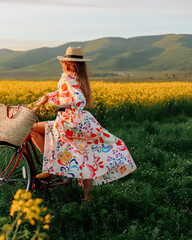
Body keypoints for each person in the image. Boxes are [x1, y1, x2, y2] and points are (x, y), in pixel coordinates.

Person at [30, 46, 136, 201]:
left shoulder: (69, 78)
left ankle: (50, 166)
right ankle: (88, 196)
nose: (64, 63)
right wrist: (43, 99)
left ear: (69, 63)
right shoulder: (77, 77)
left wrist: (61, 106)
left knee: (32, 129)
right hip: (80, 122)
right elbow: (61, 94)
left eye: (65, 61)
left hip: (68, 122)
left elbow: (80, 100)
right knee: (83, 154)